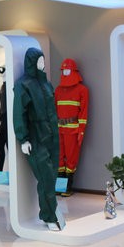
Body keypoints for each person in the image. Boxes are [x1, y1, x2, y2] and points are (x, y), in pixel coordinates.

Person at [13, 47, 64, 231]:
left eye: (43, 60)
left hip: (52, 136)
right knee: (46, 178)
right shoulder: (23, 85)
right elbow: (19, 113)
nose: (43, 63)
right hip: (36, 138)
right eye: (39, 60)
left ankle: (51, 212)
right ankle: (49, 216)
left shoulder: (47, 84)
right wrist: (23, 139)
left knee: (53, 175)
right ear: (31, 63)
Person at [55, 58, 88, 196]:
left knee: (71, 158)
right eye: (63, 70)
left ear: (73, 71)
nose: (65, 72)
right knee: (59, 158)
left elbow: (83, 112)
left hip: (72, 130)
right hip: (59, 129)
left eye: (67, 69)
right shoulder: (58, 90)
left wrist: (81, 131)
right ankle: (60, 187)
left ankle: (68, 187)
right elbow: (54, 110)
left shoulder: (82, 90)